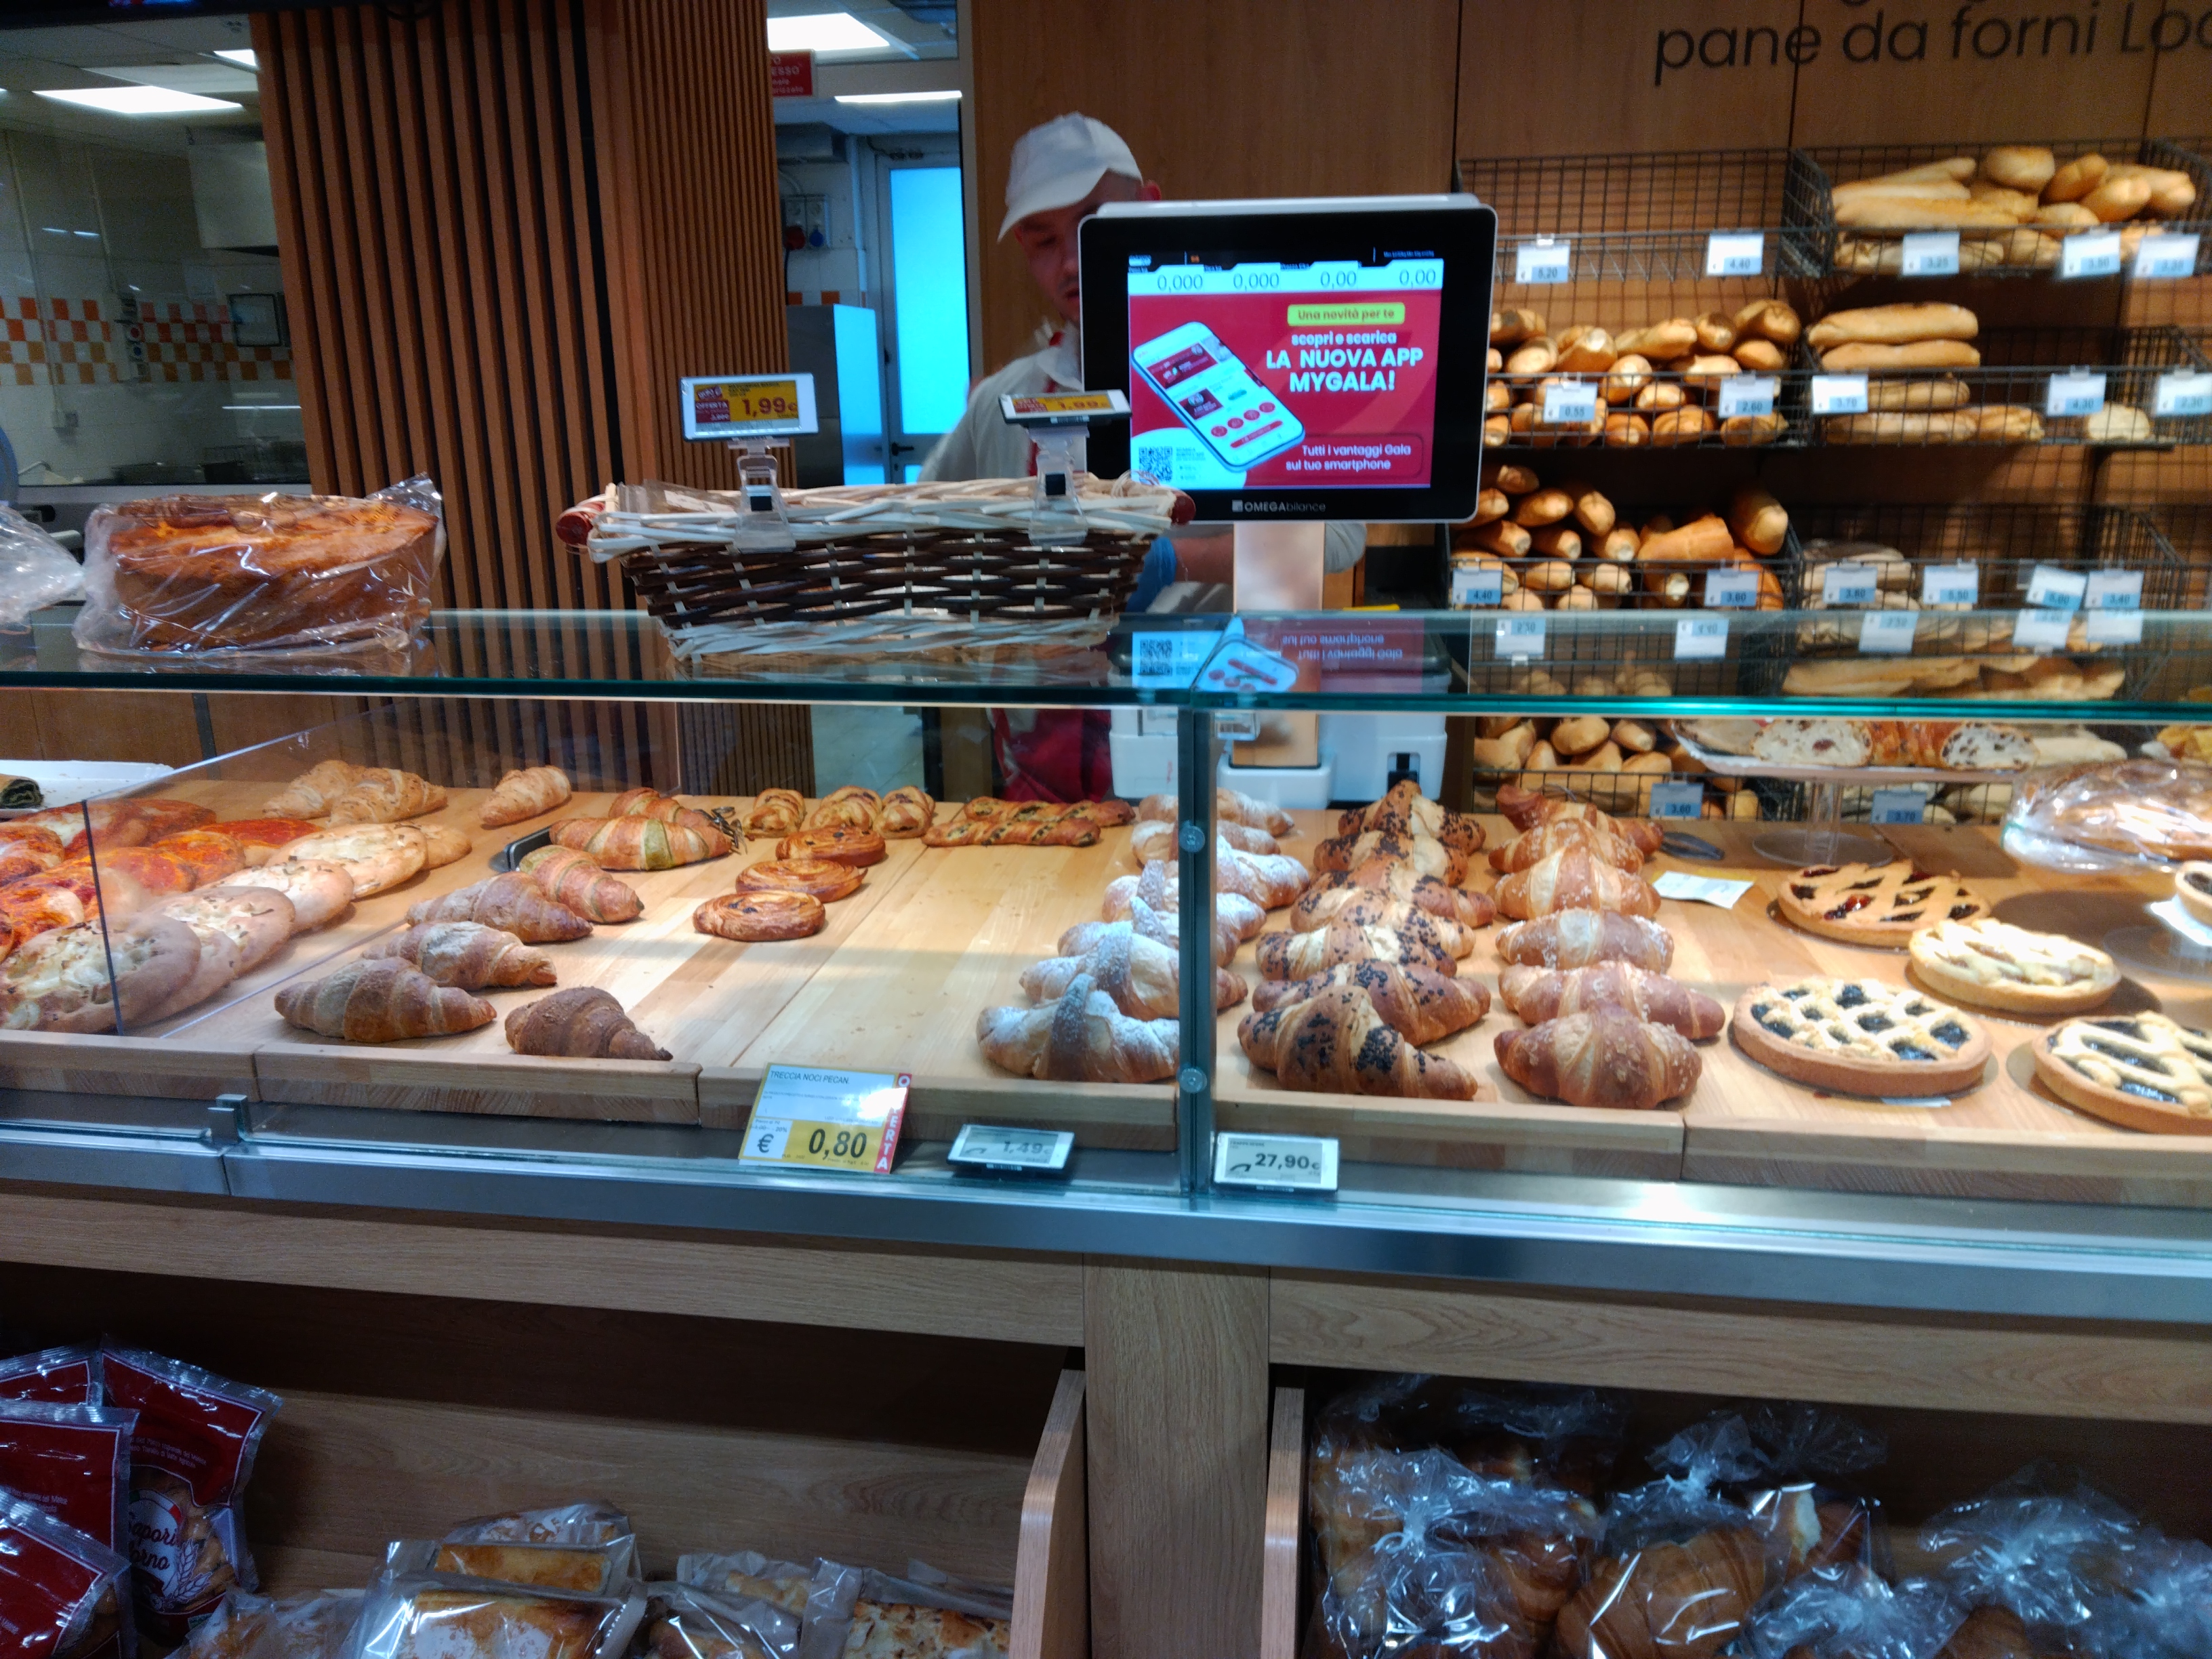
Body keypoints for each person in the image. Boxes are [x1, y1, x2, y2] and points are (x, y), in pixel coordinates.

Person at [922, 113, 1359, 800]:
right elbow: (926, 530)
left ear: (1149, 208)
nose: (1071, 262)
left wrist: (1173, 560)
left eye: (1092, 224)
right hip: (1040, 784)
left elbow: (1337, 537)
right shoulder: (1004, 402)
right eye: (1043, 240)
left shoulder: (1240, 380)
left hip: (1206, 768)